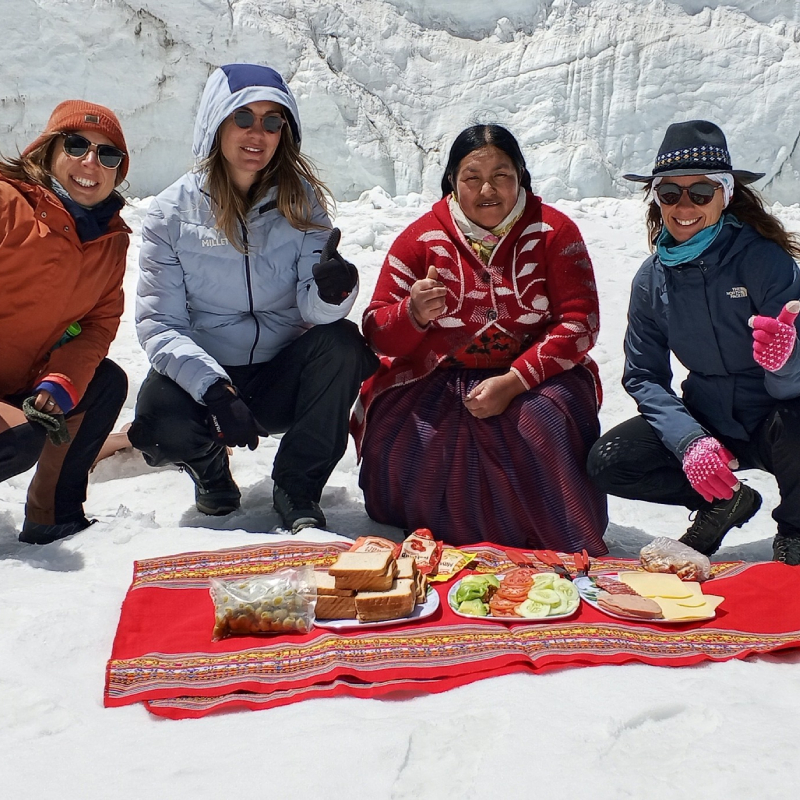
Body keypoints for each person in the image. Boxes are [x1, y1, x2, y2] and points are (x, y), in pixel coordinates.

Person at [128, 64, 377, 533]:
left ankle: (298, 485)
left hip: (281, 373)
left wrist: (333, 291)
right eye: (242, 118)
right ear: (215, 124)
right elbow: (160, 325)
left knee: (343, 343)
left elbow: (314, 309)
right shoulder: (171, 214)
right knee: (160, 423)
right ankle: (211, 473)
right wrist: (214, 389)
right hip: (209, 377)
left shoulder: (301, 203)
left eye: (271, 121)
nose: (257, 134)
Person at [352, 124, 608, 554]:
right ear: (453, 181)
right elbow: (377, 330)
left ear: (520, 175)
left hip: (537, 376)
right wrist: (413, 313)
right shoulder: (421, 239)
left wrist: (513, 382)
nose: (487, 190)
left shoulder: (553, 232)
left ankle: (552, 531)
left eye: (501, 175)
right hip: (436, 375)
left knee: (539, 423)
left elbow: (581, 322)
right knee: (419, 438)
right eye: (472, 177)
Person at [587, 120, 800, 565]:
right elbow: (644, 375)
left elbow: (791, 385)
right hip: (709, 416)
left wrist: (785, 362)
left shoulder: (765, 261)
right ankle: (726, 501)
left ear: (726, 194)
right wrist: (689, 441)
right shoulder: (651, 280)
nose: (684, 206)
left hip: (776, 416)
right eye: (670, 193)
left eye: (701, 192)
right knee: (610, 461)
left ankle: (796, 529)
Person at [0, 101, 130, 544]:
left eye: (107, 154)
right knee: (18, 437)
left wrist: (61, 381)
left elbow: (98, 323)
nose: (91, 162)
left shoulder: (109, 242)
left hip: (21, 379)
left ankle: (53, 515)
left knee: (104, 384)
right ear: (49, 150)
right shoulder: (7, 204)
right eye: (77, 145)